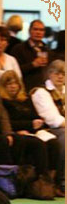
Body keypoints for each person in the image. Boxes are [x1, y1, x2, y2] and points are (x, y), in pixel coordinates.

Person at [0, 70, 62, 196]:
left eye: (15, 83)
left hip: (33, 132)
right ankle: (40, 181)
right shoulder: (2, 102)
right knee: (38, 144)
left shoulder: (26, 99)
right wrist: (28, 125)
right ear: (3, 86)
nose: (13, 86)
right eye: (9, 84)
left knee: (54, 143)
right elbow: (7, 122)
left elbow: (35, 116)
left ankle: (52, 181)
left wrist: (37, 123)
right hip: (15, 133)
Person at [30, 60, 65, 192]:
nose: (60, 77)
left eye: (63, 74)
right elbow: (52, 119)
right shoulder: (41, 92)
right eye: (57, 73)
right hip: (48, 130)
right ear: (49, 74)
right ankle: (61, 181)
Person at [10, 20, 49, 92]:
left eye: (41, 30)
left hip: (44, 89)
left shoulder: (47, 49)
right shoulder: (19, 48)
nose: (38, 32)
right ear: (29, 31)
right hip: (25, 90)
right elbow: (13, 71)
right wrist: (32, 65)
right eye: (35, 29)